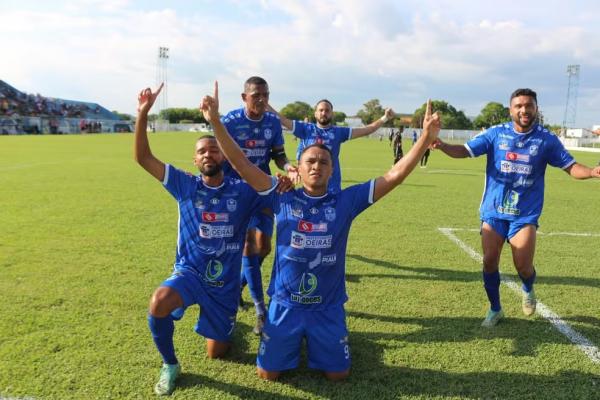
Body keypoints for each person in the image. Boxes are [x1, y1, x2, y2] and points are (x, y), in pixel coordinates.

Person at [200, 82, 440, 381]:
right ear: (298, 168)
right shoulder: (281, 195)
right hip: (285, 305)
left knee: (338, 376)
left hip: (327, 307)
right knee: (267, 374)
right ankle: (280, 330)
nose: (317, 166)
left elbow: (393, 176)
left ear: (332, 168)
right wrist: (215, 122)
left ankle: (325, 338)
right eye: (310, 161)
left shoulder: (345, 201)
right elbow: (239, 160)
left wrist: (425, 139)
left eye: (324, 162)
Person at [134, 83, 289, 395]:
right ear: (195, 160)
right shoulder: (185, 184)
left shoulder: (244, 192)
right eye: (202, 151)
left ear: (225, 157)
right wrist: (142, 115)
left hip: (225, 285)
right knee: (159, 302)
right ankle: (170, 364)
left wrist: (284, 183)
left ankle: (229, 321)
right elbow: (144, 158)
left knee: (216, 352)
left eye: (214, 149)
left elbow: (274, 196)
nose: (208, 154)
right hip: (190, 273)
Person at [433, 88, 600, 327]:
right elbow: (465, 151)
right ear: (510, 109)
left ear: (536, 109)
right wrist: (441, 146)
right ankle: (495, 309)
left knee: (523, 266)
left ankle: (528, 287)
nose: (524, 110)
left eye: (528, 105)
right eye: (519, 106)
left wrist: (593, 172)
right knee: (490, 260)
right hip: (493, 210)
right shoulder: (495, 134)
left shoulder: (546, 140)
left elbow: (571, 167)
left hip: (524, 215)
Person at [221, 76, 299, 335]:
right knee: (248, 247)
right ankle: (261, 311)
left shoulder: (273, 122)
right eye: (256, 95)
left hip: (263, 189)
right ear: (244, 97)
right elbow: (219, 157)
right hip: (235, 193)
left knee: (263, 247)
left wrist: (289, 166)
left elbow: (278, 155)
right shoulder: (230, 122)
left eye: (266, 94)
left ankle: (239, 287)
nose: (262, 100)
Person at [270, 99, 395, 193]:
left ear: (332, 114)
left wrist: (384, 118)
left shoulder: (339, 132)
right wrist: (266, 105)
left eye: (327, 110)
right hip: (309, 183)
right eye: (321, 110)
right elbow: (283, 119)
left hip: (332, 186)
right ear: (315, 114)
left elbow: (367, 129)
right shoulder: (305, 129)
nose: (324, 113)